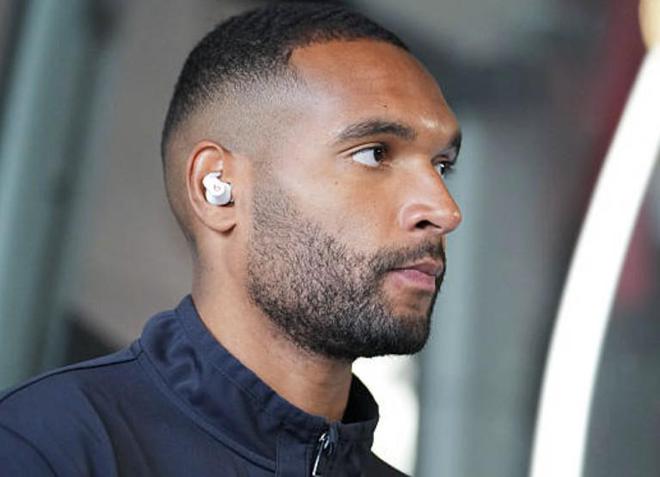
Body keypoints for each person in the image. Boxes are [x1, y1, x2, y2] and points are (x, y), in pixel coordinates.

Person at [0, 2, 462, 476]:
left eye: (442, 165)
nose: (445, 211)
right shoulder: (45, 450)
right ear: (216, 189)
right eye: (374, 153)